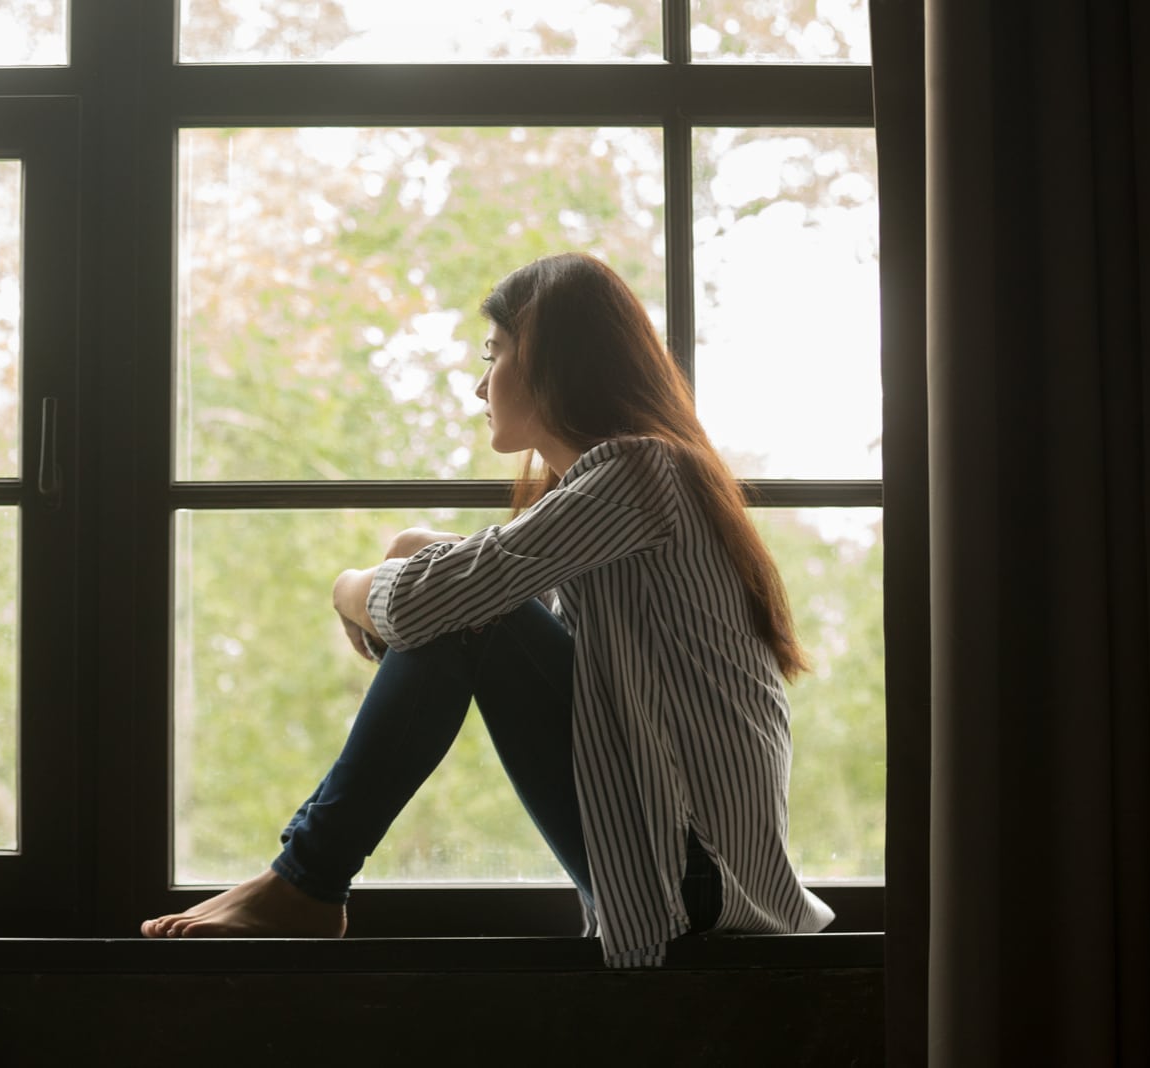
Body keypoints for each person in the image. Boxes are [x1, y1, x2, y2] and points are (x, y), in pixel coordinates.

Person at [141, 251, 835, 965]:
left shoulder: (640, 472)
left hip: (694, 881)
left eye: (494, 354)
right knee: (461, 598)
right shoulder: (639, 486)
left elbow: (437, 606)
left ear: (550, 361)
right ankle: (302, 881)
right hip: (681, 871)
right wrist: (412, 551)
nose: (479, 386)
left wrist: (348, 586)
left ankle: (306, 882)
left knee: (469, 610)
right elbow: (479, 594)